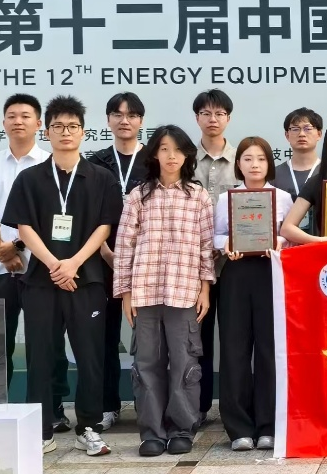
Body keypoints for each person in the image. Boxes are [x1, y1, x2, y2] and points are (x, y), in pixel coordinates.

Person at [2, 95, 122, 457]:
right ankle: (41, 431)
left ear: (83, 132)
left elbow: (104, 227)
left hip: (87, 280)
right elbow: (24, 227)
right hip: (41, 281)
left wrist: (74, 264)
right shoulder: (30, 178)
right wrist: (56, 264)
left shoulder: (101, 178)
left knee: (90, 355)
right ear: (47, 131)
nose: (65, 132)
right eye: (58, 126)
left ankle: (89, 427)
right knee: (40, 356)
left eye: (72, 126)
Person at [113, 126, 216, 458]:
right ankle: (152, 432)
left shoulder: (198, 196)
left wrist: (205, 288)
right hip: (145, 294)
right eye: (164, 149)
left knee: (184, 363)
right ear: (154, 154)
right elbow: (124, 247)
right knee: (146, 365)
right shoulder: (138, 196)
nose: (172, 156)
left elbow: (206, 247)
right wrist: (126, 293)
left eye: (178, 150)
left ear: (187, 155)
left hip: (184, 292)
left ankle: (182, 429)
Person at [0, 94, 70, 432]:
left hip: (41, 267)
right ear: (3, 123)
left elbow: (56, 219)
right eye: (12, 115)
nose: (18, 121)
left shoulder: (51, 164)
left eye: (26, 115)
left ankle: (52, 409)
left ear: (39, 124)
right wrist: (0, 250)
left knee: (48, 342)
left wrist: (16, 246)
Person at [213, 136, 294, 452]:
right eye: (247, 158)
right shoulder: (227, 198)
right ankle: (238, 429)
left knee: (269, 349)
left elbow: (291, 237)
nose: (254, 164)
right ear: (239, 164)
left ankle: (268, 426)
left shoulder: (283, 197)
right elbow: (216, 235)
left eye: (260, 158)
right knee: (234, 349)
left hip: (270, 273)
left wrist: (278, 242)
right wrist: (225, 245)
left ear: (269, 163)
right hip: (236, 274)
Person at [88, 91, 147, 431]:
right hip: (103, 260)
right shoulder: (95, 162)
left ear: (141, 121)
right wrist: (107, 253)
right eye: (118, 114)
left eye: (132, 115)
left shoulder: (153, 160)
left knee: (151, 338)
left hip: (148, 262)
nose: (125, 121)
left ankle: (149, 405)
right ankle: (108, 405)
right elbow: (86, 213)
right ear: (108, 120)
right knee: (105, 336)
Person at [191, 88, 236, 422]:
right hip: (193, 267)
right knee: (197, 338)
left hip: (234, 264)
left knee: (234, 338)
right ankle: (199, 406)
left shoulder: (243, 159)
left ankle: (234, 407)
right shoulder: (183, 159)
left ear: (228, 119)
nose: (213, 119)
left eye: (219, 113)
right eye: (206, 113)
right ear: (197, 118)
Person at [271, 107, 324, 200]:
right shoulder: (274, 175)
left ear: (319, 134)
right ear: (287, 135)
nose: (301, 134)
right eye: (295, 129)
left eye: (307, 128)